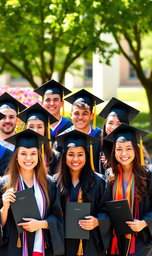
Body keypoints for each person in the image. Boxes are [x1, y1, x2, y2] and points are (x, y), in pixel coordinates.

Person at [0, 129, 64, 256]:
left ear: (38, 156)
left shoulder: (49, 184)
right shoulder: (3, 184)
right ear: (16, 156)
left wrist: (42, 224)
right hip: (13, 248)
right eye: (23, 153)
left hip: (42, 248)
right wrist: (5, 207)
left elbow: (58, 217)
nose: (28, 158)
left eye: (33, 153)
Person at [55, 130, 111, 256]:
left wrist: (97, 221)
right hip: (63, 244)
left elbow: (108, 211)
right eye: (71, 154)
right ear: (64, 156)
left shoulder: (100, 182)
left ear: (87, 155)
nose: (75, 159)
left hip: (90, 245)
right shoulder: (55, 183)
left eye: (80, 154)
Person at [104, 124, 152, 256]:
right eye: (119, 149)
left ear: (136, 150)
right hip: (116, 238)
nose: (123, 154)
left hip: (141, 239)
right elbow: (104, 206)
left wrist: (144, 222)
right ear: (114, 151)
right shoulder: (110, 175)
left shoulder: (148, 176)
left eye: (128, 148)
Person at [58, 89, 104, 171]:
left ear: (92, 116)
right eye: (76, 113)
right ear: (71, 115)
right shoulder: (63, 137)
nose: (80, 117)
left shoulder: (100, 137)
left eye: (85, 113)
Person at [98, 97, 140, 174]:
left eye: (119, 124)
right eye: (110, 123)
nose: (113, 127)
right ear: (105, 124)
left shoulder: (136, 149)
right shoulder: (99, 147)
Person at [17, 102, 59, 175]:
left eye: (39, 127)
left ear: (45, 130)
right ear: (25, 128)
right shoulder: (16, 154)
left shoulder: (54, 157)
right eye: (31, 127)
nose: (35, 131)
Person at [34, 79, 72, 144]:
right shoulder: (35, 127)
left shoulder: (70, 127)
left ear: (62, 103)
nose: (51, 103)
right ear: (42, 103)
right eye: (48, 100)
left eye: (55, 100)